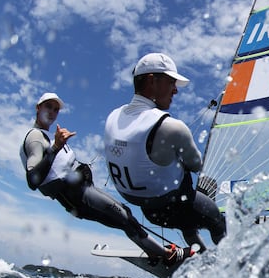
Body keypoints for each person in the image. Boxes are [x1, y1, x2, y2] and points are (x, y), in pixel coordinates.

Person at [20, 92, 185, 264]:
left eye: (56, 109)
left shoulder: (46, 136)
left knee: (124, 220)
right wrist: (56, 147)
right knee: (124, 216)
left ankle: (153, 253)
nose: (52, 112)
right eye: (48, 107)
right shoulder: (35, 137)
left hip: (82, 194)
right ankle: (166, 254)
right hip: (79, 196)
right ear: (38, 108)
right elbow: (32, 180)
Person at [104, 53, 226, 255]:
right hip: (174, 206)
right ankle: (233, 264)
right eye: (171, 82)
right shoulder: (171, 127)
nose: (175, 90)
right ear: (152, 80)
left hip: (150, 212)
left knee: (187, 219)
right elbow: (197, 165)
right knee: (217, 220)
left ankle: (201, 256)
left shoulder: (113, 117)